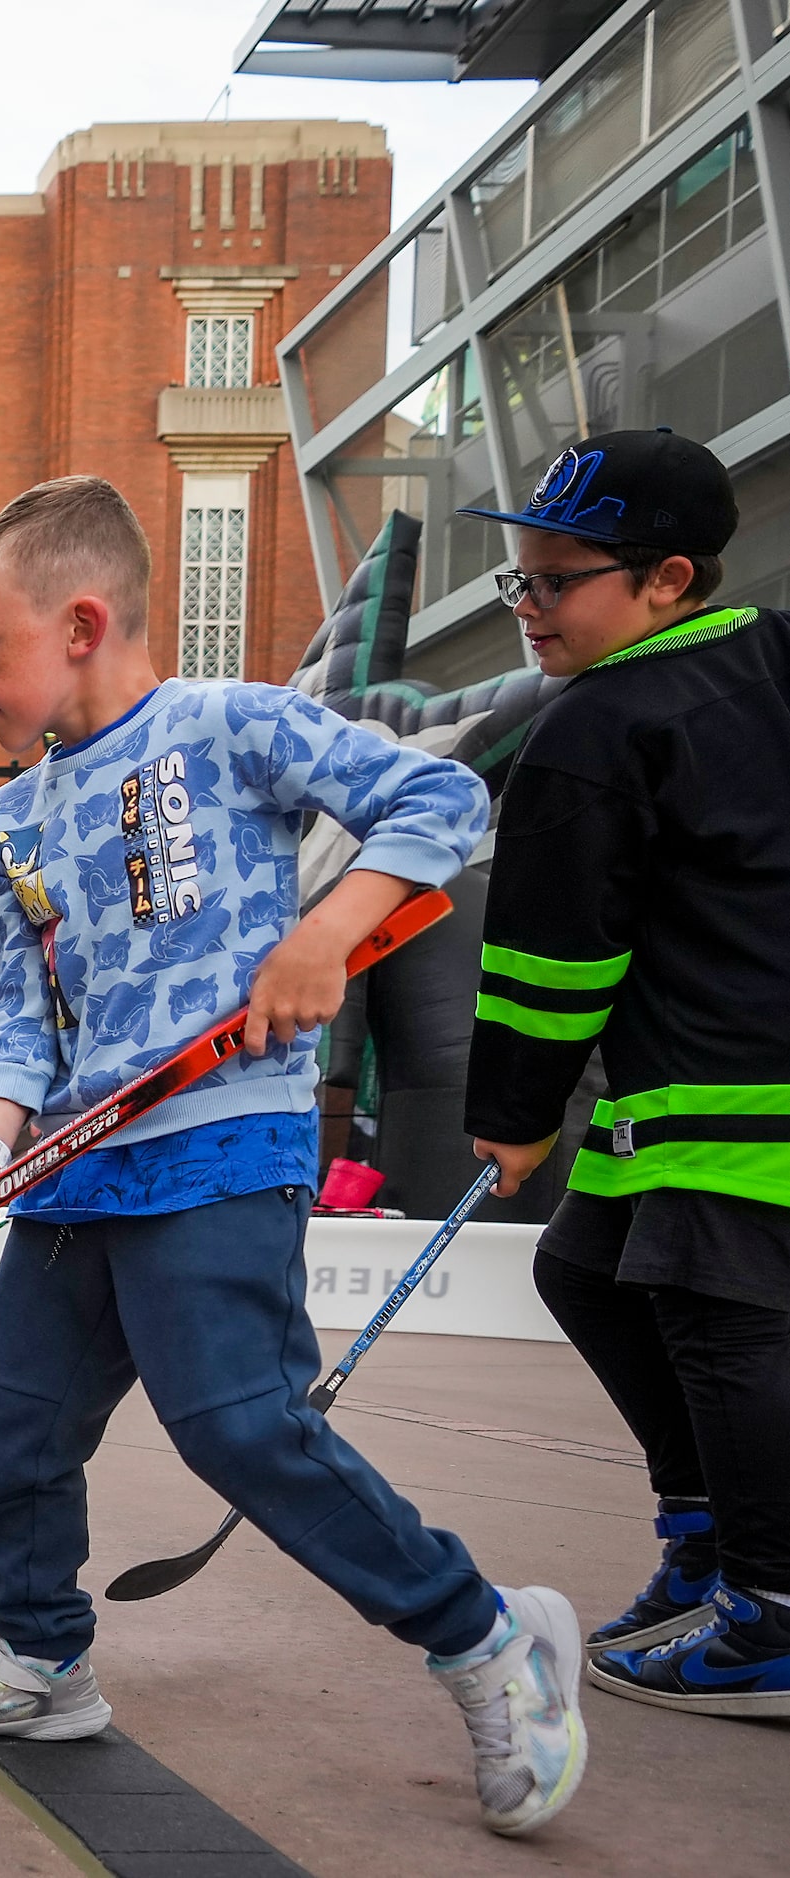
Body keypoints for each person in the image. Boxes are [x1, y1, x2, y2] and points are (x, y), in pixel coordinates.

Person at [0, 474, 582, 1840]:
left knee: (240, 1427)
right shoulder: (9, 820)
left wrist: (334, 928)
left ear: (81, 623)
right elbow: (21, 1026)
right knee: (15, 1437)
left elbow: (436, 795)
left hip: (222, 1141)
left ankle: (488, 1635)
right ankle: (41, 1661)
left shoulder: (228, 723)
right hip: (70, 1174)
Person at [454, 431, 790, 1718]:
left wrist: (512, 1121)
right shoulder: (765, 655)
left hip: (728, 1087)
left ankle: (771, 1610)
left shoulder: (595, 728)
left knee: (719, 1322)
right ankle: (707, 1537)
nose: (529, 608)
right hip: (699, 1078)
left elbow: (548, 961)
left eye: (556, 581)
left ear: (668, 579)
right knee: (583, 1269)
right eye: (519, 580)